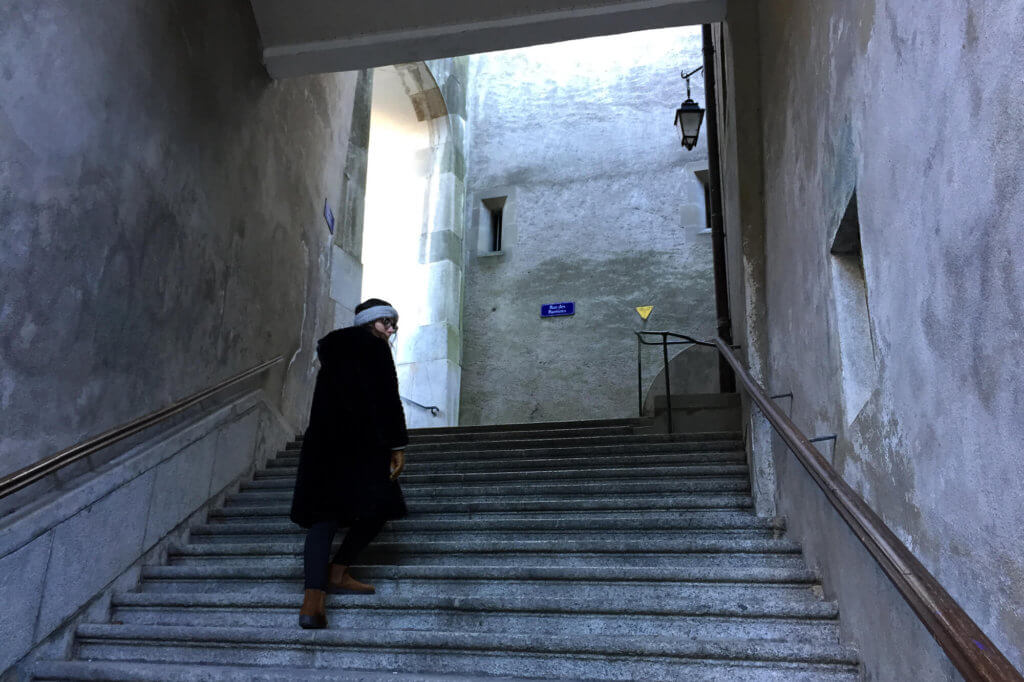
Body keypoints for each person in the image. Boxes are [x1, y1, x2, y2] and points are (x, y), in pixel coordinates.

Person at [290, 298, 408, 629]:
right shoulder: (374, 348)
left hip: (323, 446)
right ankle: (338, 570)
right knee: (381, 508)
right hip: (362, 445)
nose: (391, 329)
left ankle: (312, 603)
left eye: (394, 324)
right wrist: (397, 445)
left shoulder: (332, 351)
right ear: (370, 323)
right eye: (387, 322)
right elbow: (387, 399)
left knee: (324, 519)